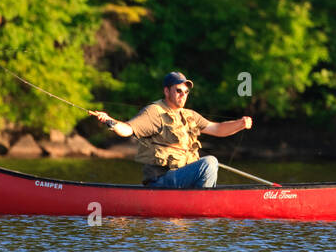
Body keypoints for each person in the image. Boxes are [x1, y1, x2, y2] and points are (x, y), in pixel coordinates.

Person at [89, 72, 252, 188]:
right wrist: (109, 121)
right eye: (178, 91)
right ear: (166, 91)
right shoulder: (154, 112)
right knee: (209, 162)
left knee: (209, 164)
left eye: (186, 92)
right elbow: (127, 129)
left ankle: (200, 205)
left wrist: (240, 124)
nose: (183, 95)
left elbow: (217, 129)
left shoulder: (190, 115)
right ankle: (203, 207)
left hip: (181, 181)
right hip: (160, 181)